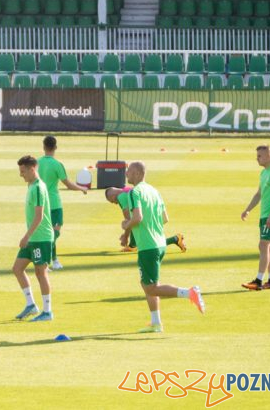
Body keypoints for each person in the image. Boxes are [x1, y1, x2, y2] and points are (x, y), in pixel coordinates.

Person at [105, 162, 205, 333]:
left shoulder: (134, 192)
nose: (126, 174)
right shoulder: (154, 191)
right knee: (149, 284)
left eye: (128, 171)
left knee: (150, 287)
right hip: (159, 243)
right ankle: (156, 323)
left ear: (136, 173)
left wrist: (126, 225)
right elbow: (165, 218)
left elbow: (137, 217)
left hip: (148, 246)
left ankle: (189, 293)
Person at [12, 155, 55, 322]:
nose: (20, 174)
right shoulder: (31, 185)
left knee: (41, 273)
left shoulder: (38, 187)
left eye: (23, 171)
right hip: (33, 238)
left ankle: (47, 311)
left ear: (32, 169)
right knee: (17, 269)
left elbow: (39, 216)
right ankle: (31, 305)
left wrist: (26, 236)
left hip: (40, 237)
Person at [37, 135, 89, 270]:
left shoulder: (37, 163)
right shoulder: (57, 164)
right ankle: (47, 261)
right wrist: (82, 188)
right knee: (53, 233)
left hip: (41, 203)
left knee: (47, 233)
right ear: (55, 147)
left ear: (43, 147)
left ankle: (53, 260)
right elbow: (68, 184)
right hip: (54, 204)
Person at [240, 144, 270, 291]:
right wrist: (248, 210)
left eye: (259, 156)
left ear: (268, 155)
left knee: (263, 245)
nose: (257, 159)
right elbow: (259, 194)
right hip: (264, 215)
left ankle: (258, 281)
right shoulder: (263, 173)